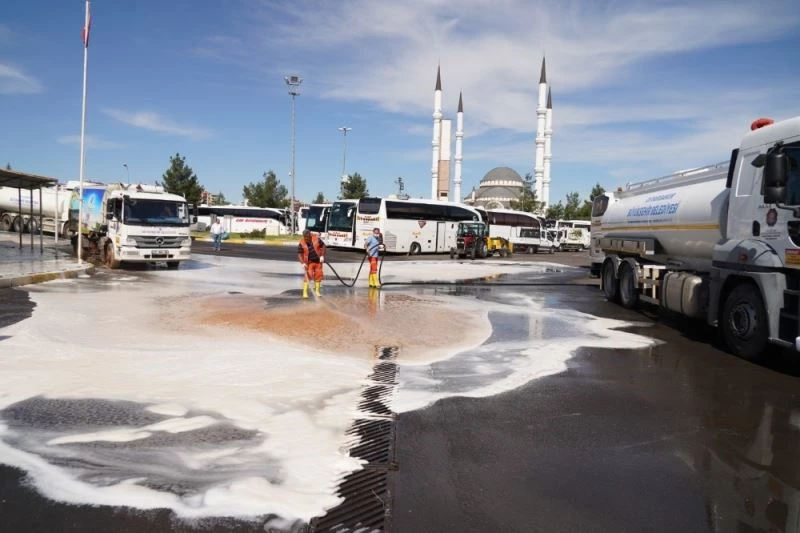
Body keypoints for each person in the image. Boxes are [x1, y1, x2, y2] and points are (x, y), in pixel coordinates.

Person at [298, 229, 326, 298]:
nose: (307, 239)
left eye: (308, 237)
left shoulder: (316, 239)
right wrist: (302, 263)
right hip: (309, 263)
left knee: (318, 276)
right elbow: (299, 254)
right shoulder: (301, 243)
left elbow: (323, 246)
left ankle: (317, 291)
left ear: (310, 235)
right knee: (308, 276)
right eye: (305, 237)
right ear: (303, 236)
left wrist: (322, 256)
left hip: (318, 262)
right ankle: (305, 293)